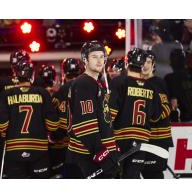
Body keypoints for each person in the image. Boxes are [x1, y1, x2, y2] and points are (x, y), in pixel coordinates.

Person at [0, 59, 59, 179]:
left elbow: (1, 125)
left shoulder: (6, 94)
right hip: (39, 150)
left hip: (14, 150)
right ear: (32, 76)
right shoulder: (42, 93)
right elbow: (53, 125)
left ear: (16, 76)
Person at [66, 40, 119, 178]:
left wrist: (111, 145)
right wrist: (100, 151)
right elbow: (84, 124)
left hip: (94, 151)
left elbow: (102, 118)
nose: (99, 60)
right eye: (94, 57)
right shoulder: (84, 83)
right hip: (86, 155)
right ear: (85, 60)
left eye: (102, 56)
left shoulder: (96, 83)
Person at [109, 48, 162, 179]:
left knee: (114, 177)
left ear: (127, 63)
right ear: (143, 65)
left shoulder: (119, 82)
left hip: (120, 139)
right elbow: (156, 116)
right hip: (142, 140)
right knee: (132, 178)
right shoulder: (152, 87)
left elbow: (110, 115)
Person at [0, 49, 31, 178]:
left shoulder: (2, 83)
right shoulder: (36, 84)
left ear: (11, 65)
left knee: (9, 170)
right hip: (31, 133)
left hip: (8, 133)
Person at [140, 50, 173, 179]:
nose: (145, 65)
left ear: (153, 64)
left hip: (158, 139)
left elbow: (166, 108)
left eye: (148, 62)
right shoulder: (139, 83)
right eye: (143, 62)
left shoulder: (157, 83)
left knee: (153, 175)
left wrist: (149, 117)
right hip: (145, 139)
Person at [51, 58, 84, 178]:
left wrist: (54, 136)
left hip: (63, 145)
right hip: (84, 143)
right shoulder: (90, 89)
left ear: (64, 73)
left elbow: (53, 119)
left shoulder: (58, 93)